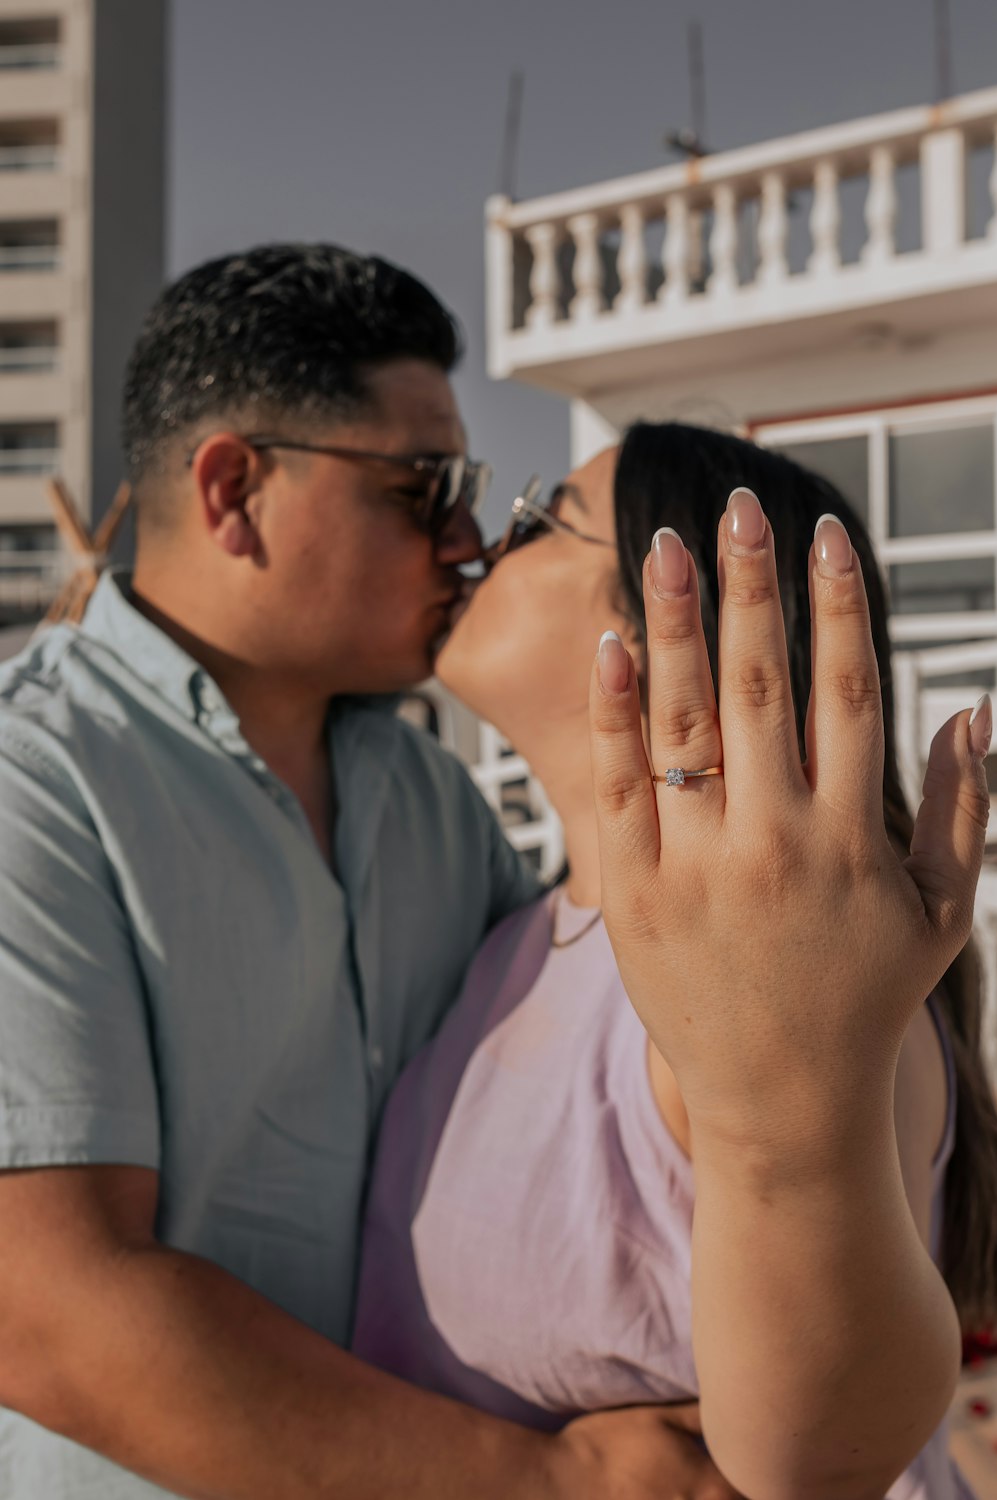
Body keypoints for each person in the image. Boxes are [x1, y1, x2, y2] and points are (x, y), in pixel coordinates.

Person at [0, 248, 739, 1499]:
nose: (464, 540)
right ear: (233, 490)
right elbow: (47, 1309)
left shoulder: (430, 803)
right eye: (423, 488)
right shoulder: (37, 785)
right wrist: (552, 1483)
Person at [353, 423, 997, 1498]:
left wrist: (786, 1119)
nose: (476, 546)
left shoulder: (780, 970)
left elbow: (822, 1460)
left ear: (659, 624)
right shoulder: (513, 938)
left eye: (534, 520)